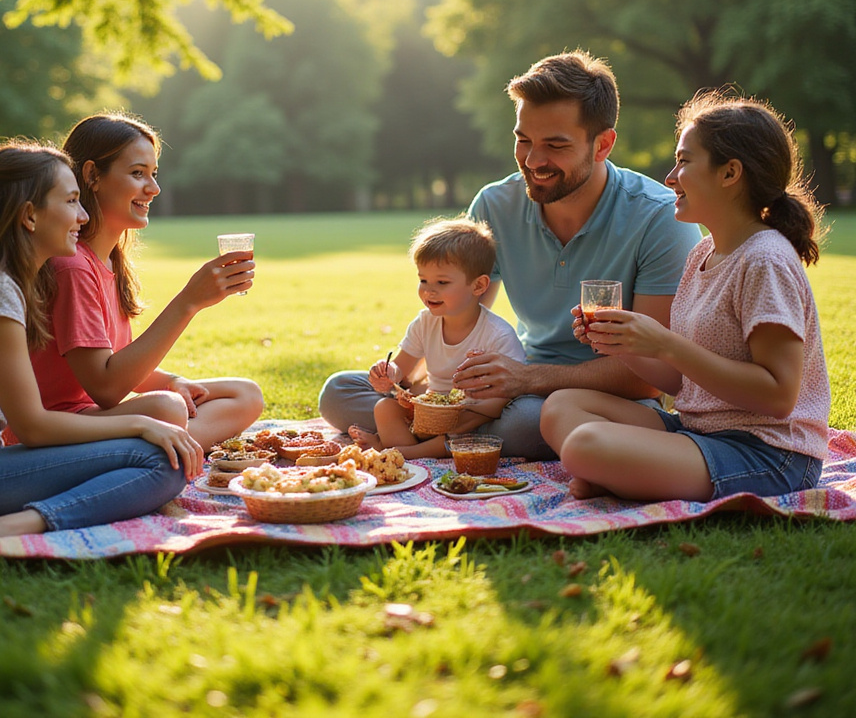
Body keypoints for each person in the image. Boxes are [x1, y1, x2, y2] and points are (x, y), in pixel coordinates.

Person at [319, 50, 701, 458]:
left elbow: (650, 378)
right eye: (523, 140)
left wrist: (526, 379)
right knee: (340, 391)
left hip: (598, 396)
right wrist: (419, 387)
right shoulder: (494, 205)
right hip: (511, 383)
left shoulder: (659, 217)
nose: (534, 161)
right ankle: (438, 432)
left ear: (603, 144)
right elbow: (459, 316)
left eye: (555, 145)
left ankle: (426, 437)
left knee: (522, 424)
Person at [0, 142, 203, 543]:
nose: (84, 216)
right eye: (71, 201)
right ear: (29, 215)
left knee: (161, 454)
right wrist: (141, 424)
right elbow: (32, 426)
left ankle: (5, 520)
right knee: (164, 463)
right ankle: (10, 526)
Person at [539, 91, 830, 501]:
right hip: (701, 432)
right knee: (561, 406)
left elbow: (779, 396)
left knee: (586, 445)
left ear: (730, 173)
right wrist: (622, 344)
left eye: (684, 161)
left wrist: (666, 343)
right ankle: (615, 471)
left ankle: (609, 469)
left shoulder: (765, 261)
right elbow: (680, 382)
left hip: (767, 452)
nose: (670, 177)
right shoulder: (702, 253)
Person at [22, 112, 264, 451]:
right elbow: (106, 388)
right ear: (92, 175)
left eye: (153, 174)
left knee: (245, 394)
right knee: (166, 409)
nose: (153, 188)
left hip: (98, 416)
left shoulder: (110, 260)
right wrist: (188, 302)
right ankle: (164, 449)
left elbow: (115, 357)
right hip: (65, 427)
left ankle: (167, 449)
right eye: (138, 174)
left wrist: (172, 380)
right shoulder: (72, 266)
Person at [347, 217, 525, 459]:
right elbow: (402, 368)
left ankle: (401, 452)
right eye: (423, 280)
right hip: (428, 410)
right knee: (385, 407)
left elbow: (503, 399)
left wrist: (458, 412)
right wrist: (389, 374)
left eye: (442, 282)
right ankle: (406, 451)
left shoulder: (498, 335)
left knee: (470, 431)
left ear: (479, 286)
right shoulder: (425, 322)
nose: (429, 290)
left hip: (471, 416)